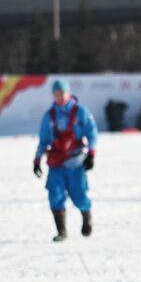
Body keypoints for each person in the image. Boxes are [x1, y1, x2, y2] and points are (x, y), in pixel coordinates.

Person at [33, 78, 98, 242]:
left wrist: (91, 154)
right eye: (56, 94)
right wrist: (37, 160)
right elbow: (43, 140)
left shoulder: (80, 112)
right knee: (55, 195)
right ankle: (61, 231)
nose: (60, 97)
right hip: (57, 163)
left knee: (79, 196)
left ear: (69, 93)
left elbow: (92, 133)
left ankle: (86, 217)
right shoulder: (49, 116)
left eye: (62, 93)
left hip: (76, 162)